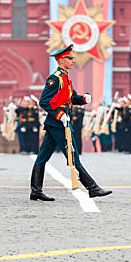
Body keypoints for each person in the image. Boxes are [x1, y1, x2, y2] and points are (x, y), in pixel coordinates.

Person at [30, 45, 112, 201]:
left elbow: (71, 98)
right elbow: (44, 101)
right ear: (61, 60)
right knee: (73, 154)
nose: (73, 61)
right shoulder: (55, 79)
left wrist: (82, 99)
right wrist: (60, 114)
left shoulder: (65, 78)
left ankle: (35, 190)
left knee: (43, 157)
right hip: (58, 123)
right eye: (70, 58)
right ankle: (92, 188)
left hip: (60, 122)